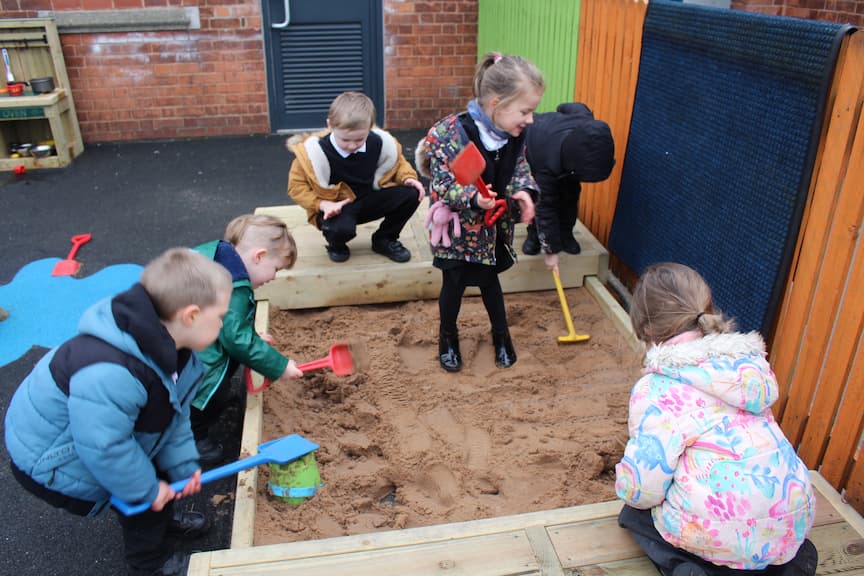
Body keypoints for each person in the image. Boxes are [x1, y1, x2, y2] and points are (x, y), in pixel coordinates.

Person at [5, 248, 234, 576]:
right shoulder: (111, 373)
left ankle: (161, 514)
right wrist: (148, 490)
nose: (224, 323)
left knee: (157, 473)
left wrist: (183, 463)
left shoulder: (179, 353)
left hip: (99, 436)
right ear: (192, 316)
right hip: (52, 455)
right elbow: (106, 448)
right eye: (220, 316)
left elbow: (176, 416)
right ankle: (150, 563)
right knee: (143, 494)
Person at [615, 263, 818, 576]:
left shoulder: (656, 390)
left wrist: (628, 488)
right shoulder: (746, 367)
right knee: (764, 533)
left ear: (644, 327)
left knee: (634, 515)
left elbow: (643, 489)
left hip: (721, 533)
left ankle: (690, 568)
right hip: (790, 521)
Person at [418, 52, 542, 372]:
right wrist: (473, 198)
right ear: (497, 105)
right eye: (525, 111)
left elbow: (521, 169)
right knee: (454, 284)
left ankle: (501, 336)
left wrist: (524, 192)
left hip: (493, 228)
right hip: (458, 230)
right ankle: (448, 337)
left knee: (490, 283)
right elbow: (442, 183)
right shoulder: (452, 133)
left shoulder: (516, 136)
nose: (530, 119)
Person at [192, 214, 303, 465]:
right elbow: (235, 339)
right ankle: (191, 438)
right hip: (188, 356)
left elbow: (231, 324)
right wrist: (279, 366)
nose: (274, 277)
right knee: (211, 387)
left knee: (228, 359)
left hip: (183, 332)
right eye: (275, 269)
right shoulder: (232, 285)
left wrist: (251, 336)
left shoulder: (221, 258)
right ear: (259, 256)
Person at [287, 91, 425, 263]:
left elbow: (398, 162)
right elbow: (296, 187)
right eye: (344, 140)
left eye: (359, 139)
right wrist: (322, 204)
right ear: (330, 125)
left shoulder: (380, 142)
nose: (352, 146)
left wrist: (407, 178)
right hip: (337, 207)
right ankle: (336, 244)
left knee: (412, 193)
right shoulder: (312, 154)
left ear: (371, 127)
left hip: (369, 199)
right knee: (340, 229)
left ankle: (384, 239)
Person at [522, 102, 615, 272]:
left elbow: (568, 107)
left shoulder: (584, 122)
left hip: (568, 159)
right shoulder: (544, 159)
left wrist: (561, 112)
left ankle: (566, 234)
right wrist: (551, 250)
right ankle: (534, 235)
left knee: (570, 196)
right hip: (538, 147)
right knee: (544, 200)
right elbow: (545, 209)